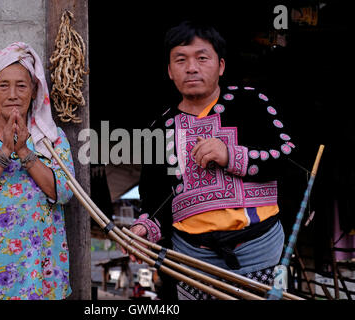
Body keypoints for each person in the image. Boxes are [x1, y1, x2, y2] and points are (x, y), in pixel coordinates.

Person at [124, 21, 298, 300]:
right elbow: (155, 194)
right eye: (181, 60)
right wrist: (145, 225)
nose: (191, 67)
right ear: (170, 71)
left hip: (260, 250)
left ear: (221, 66)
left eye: (202, 58)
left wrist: (232, 155)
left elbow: (288, 159)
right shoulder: (162, 128)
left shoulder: (251, 104)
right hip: (191, 259)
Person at [0, 42, 75, 300]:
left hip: (40, 266)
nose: (13, 94)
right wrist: (5, 152)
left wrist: (25, 153)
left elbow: (64, 192)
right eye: (3, 85)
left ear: (33, 92)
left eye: (21, 85)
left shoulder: (51, 139)